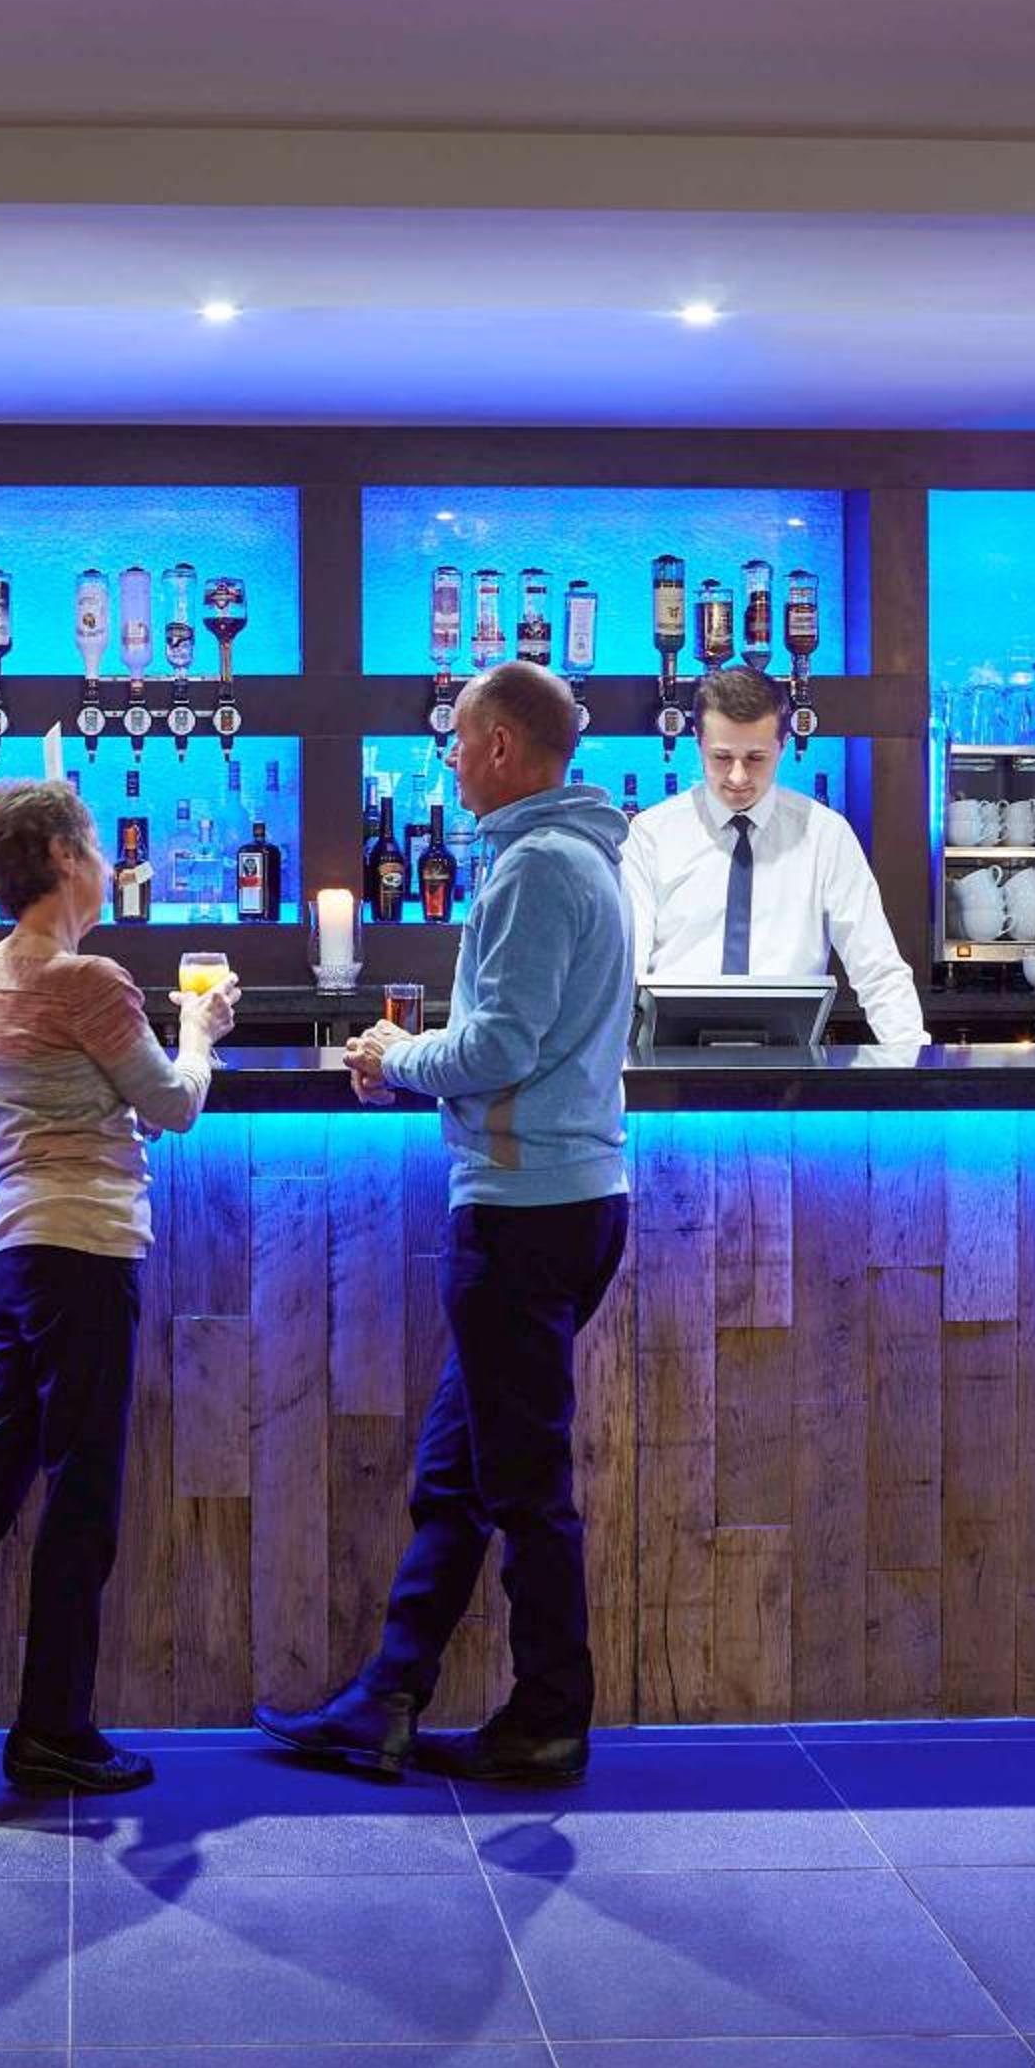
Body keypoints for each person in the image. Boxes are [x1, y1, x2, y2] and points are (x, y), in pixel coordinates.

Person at [257, 660, 631, 1786]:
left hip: (523, 1208)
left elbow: (499, 1046)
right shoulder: (586, 857)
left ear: (504, 746)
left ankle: (551, 1719)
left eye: (459, 741)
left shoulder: (536, 867)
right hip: (568, 1196)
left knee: (523, 1486)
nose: (450, 760)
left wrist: (393, 1054)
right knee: (460, 1473)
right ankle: (387, 1699)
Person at [0, 778, 237, 1802]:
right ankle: (53, 1730)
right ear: (67, 857)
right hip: (87, 1251)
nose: (111, 861)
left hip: (16, 1248)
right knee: (82, 1496)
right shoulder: (90, 980)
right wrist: (201, 1029)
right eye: (97, 844)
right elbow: (173, 1106)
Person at [620, 663, 927, 1047]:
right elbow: (625, 968)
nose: (737, 777)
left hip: (792, 1063)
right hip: (665, 1060)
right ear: (697, 740)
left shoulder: (825, 835)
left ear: (783, 744)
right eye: (721, 757)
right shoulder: (651, 834)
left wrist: (915, 1064)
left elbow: (878, 968)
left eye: (755, 758)